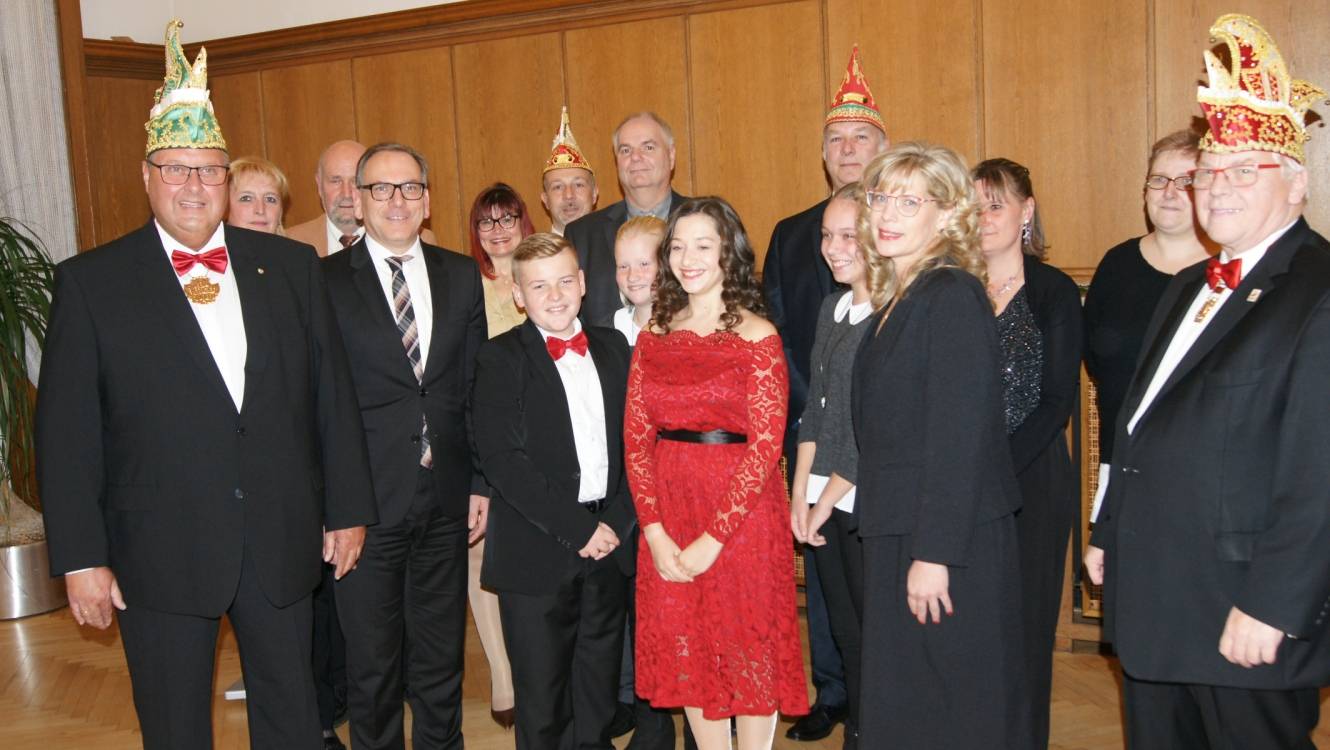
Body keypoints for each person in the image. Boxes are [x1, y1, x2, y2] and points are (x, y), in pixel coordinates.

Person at [36, 20, 376, 749]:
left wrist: (347, 507)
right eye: (177, 167)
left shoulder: (288, 268)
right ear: (147, 176)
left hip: (280, 539)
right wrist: (80, 558)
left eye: (209, 169)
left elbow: (331, 398)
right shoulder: (91, 285)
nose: (194, 185)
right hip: (157, 552)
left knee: (293, 721)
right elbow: (66, 439)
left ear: (228, 179)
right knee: (174, 728)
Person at [1086, 14, 1330, 748]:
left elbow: (1320, 470)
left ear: (1298, 185)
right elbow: (1138, 415)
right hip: (1157, 595)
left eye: (1242, 169)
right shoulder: (1189, 282)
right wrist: (1107, 528)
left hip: (1242, 612)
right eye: (1207, 172)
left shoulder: (1318, 291)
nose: (1215, 188)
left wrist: (1277, 604)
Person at [851, 143, 1027, 748]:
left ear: (946, 213)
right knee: (911, 700)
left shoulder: (949, 292)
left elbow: (961, 434)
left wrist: (935, 554)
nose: (887, 213)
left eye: (908, 201)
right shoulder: (903, 293)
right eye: (880, 197)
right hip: (906, 521)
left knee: (950, 704)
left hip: (945, 537)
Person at [625, 196, 808, 750]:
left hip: (742, 519)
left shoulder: (758, 336)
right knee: (691, 649)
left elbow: (765, 447)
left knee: (747, 647)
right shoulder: (653, 333)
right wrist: (655, 533)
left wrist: (714, 538)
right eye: (677, 246)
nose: (688, 258)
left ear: (729, 252)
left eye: (703, 245)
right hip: (669, 508)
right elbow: (635, 440)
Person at [322, 142, 488, 750]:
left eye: (410, 188)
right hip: (363, 506)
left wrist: (480, 483)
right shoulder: (324, 282)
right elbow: (318, 405)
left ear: (427, 198)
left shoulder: (460, 273)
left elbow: (474, 388)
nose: (397, 201)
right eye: (381, 189)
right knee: (372, 670)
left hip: (445, 498)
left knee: (441, 661)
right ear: (358, 201)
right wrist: (335, 507)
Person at [764, 46, 888, 743]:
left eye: (860, 138)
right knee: (827, 581)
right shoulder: (791, 233)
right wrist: (814, 425)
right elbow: (784, 332)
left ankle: (877, 705)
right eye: (836, 140)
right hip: (811, 428)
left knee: (871, 589)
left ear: (883, 148)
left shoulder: (907, 233)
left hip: (873, 449)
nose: (847, 148)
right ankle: (833, 692)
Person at [471, 232, 636, 749]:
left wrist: (616, 522)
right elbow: (504, 462)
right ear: (518, 295)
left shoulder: (615, 347)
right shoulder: (499, 359)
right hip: (538, 552)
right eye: (539, 286)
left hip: (609, 543)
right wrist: (580, 529)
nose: (556, 294)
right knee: (542, 703)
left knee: (598, 691)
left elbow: (640, 446)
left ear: (584, 283)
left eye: (566, 280)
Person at [973, 157, 1082, 749]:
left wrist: (995, 471)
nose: (984, 217)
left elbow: (1057, 402)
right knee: (971, 630)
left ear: (1025, 211)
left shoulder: (1054, 291)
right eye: (975, 206)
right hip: (963, 489)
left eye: (996, 204)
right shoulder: (953, 287)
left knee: (1025, 631)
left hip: (1032, 484)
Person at [1083, 128, 1212, 517]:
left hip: (1200, 471)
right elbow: (1094, 354)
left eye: (1186, 182)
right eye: (1159, 180)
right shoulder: (1116, 263)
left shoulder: (1226, 274)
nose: (1169, 192)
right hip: (1121, 458)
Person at [788, 181, 872, 750]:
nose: (833, 247)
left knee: (870, 632)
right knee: (842, 625)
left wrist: (820, 502)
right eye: (827, 235)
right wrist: (798, 493)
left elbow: (867, 431)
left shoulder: (890, 312)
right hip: (821, 496)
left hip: (859, 497)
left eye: (848, 235)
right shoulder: (831, 307)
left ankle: (870, 729)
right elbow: (815, 410)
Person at [464, 181, 537, 727]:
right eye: (486, 221)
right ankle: (505, 677)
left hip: (542, 439)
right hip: (484, 436)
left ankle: (542, 670)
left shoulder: (547, 273)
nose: (497, 230)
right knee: (480, 557)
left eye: (507, 218)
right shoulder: (462, 284)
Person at [564, 111, 689, 324]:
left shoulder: (705, 221)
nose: (636, 157)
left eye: (648, 147)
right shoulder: (582, 235)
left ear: (671, 156)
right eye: (625, 150)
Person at [288, 139, 437, 256]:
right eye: (336, 181)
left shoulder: (420, 238)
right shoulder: (291, 243)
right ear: (319, 186)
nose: (347, 194)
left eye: (354, 182)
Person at [541, 106, 599, 235]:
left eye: (578, 185)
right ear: (545, 200)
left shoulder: (618, 249)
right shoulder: (531, 255)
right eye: (557, 187)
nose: (569, 195)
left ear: (594, 194)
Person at [611, 216, 664, 345]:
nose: (632, 276)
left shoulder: (688, 328)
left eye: (644, 264)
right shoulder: (612, 328)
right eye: (623, 266)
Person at [227, 156, 289, 235]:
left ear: (280, 212)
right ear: (224, 208)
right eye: (246, 198)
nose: (260, 210)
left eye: (270, 199)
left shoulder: (299, 247)